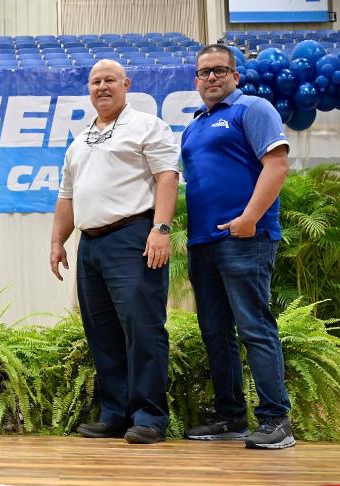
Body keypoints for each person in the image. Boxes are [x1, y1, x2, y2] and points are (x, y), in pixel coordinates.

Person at [49, 59, 179, 444]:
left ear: (126, 84)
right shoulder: (80, 139)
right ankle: (115, 413)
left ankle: (150, 417)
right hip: (90, 244)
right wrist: (58, 241)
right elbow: (66, 196)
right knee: (101, 332)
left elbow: (167, 177)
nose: (102, 87)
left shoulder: (147, 125)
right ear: (88, 89)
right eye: (95, 82)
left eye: (109, 81)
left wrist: (160, 228)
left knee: (142, 328)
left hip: (134, 236)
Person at [181, 44, 294, 449]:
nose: (211, 77)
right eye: (204, 72)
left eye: (219, 70)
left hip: (245, 238)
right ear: (195, 81)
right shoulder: (193, 127)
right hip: (202, 244)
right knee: (215, 333)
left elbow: (277, 165)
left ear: (235, 76)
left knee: (254, 327)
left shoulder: (253, 109)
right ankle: (230, 416)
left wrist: (248, 219)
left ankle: (276, 419)